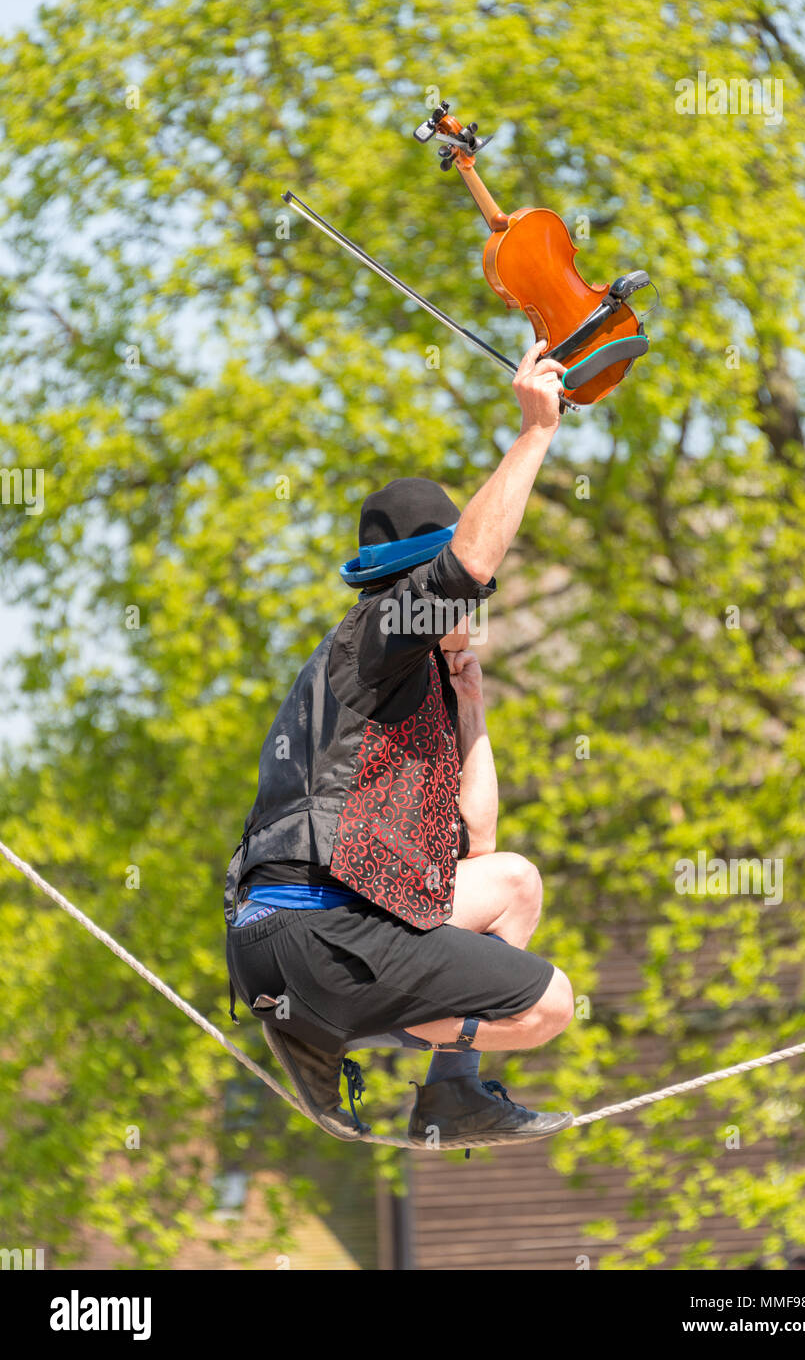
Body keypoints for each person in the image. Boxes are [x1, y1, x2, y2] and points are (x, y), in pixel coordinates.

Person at [223, 340, 575, 1148]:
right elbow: (470, 562)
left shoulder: (411, 682)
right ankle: (319, 1024)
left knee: (514, 883)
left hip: (325, 926)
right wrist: (534, 433)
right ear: (413, 580)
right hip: (309, 934)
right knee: (548, 1003)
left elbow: (476, 845)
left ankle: (449, 1090)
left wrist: (471, 705)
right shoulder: (378, 630)